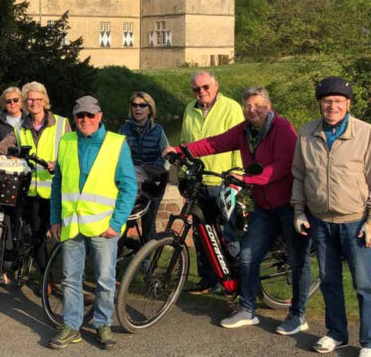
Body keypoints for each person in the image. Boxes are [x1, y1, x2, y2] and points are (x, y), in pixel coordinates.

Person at [164, 86, 312, 334]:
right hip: (264, 207)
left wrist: (247, 179)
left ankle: (298, 315)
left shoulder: (282, 129)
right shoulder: (245, 131)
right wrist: (182, 150)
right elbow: (215, 143)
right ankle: (247, 310)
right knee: (247, 257)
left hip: (289, 205)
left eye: (257, 106)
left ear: (268, 106)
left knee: (298, 261)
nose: (251, 110)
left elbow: (282, 167)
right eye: (247, 106)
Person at [292, 77, 371, 357]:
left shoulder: (367, 133)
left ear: (348, 103)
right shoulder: (307, 133)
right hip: (320, 222)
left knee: (364, 285)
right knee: (329, 282)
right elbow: (299, 175)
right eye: (327, 101)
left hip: (356, 222)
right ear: (320, 104)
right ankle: (336, 333)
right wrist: (299, 211)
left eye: (338, 101)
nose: (332, 106)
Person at [48, 96, 137, 350]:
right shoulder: (66, 141)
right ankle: (72, 325)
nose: (84, 120)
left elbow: (129, 187)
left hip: (103, 226)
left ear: (99, 116)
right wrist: (55, 218)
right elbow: (58, 183)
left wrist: (117, 222)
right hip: (72, 223)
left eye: (89, 115)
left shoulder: (116, 143)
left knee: (105, 279)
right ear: (75, 118)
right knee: (69, 279)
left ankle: (102, 323)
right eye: (79, 116)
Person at [0, 82, 70, 277]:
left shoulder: (62, 124)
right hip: (33, 192)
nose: (34, 103)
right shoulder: (21, 127)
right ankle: (47, 278)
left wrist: (58, 163)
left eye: (38, 99)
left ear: (45, 101)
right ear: (26, 103)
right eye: (30, 100)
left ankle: (70, 279)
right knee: (37, 237)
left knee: (64, 236)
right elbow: (4, 146)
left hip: (57, 189)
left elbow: (72, 153)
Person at [181, 70, 244, 294]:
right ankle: (208, 281)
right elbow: (185, 144)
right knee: (201, 234)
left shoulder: (232, 108)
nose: (201, 92)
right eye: (196, 89)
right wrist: (184, 177)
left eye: (206, 87)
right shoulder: (190, 109)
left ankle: (238, 284)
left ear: (216, 86)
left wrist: (237, 178)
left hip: (223, 180)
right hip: (198, 182)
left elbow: (241, 144)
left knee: (227, 235)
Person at [118, 91, 169, 240]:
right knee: (124, 218)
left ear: (150, 109)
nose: (138, 109)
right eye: (134, 105)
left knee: (149, 220)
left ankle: (147, 260)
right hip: (130, 180)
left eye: (142, 105)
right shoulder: (124, 130)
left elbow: (166, 158)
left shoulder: (158, 131)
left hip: (154, 181)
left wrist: (150, 172)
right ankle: (117, 254)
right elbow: (118, 156)